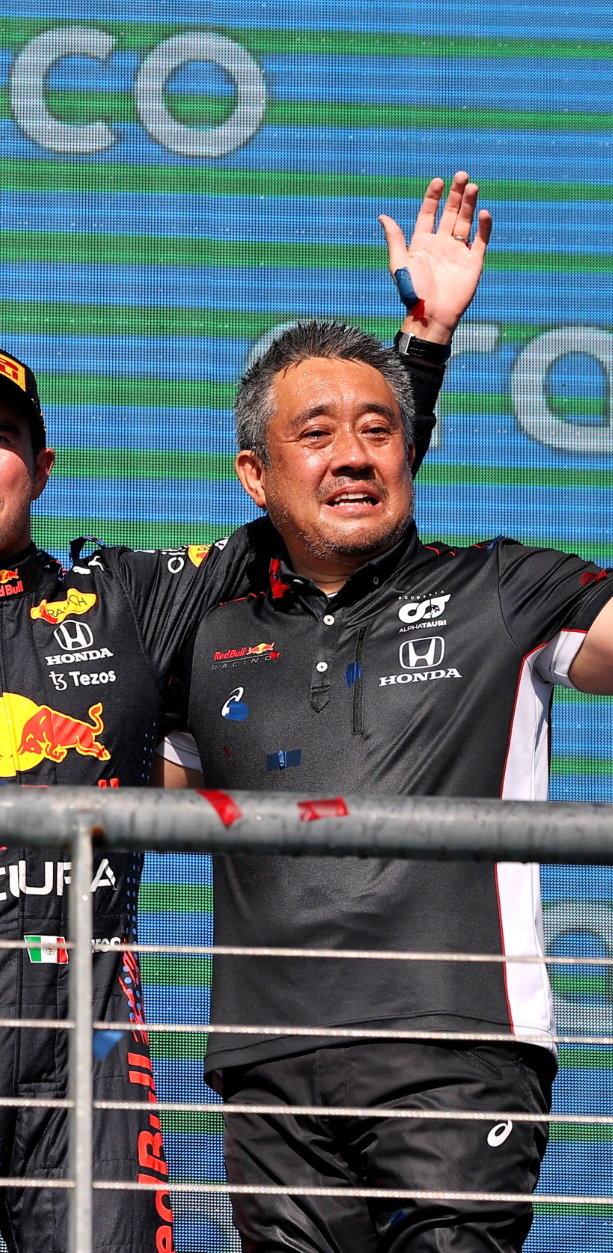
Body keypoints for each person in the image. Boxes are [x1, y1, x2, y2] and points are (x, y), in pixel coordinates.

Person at [0, 173, 486, 1253]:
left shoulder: (125, 603)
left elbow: (326, 502)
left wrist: (423, 344)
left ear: (43, 465)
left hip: (95, 1059)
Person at [170, 320, 613, 1253]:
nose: (352, 456)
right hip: (269, 1060)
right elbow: (132, 794)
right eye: (317, 433)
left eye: (377, 430)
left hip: (458, 1050)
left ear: (412, 450)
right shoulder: (203, 632)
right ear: (254, 475)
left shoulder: (502, 589)